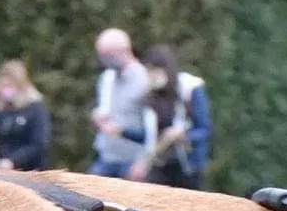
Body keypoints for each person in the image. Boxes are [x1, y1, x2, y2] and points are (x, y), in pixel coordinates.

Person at [128, 46, 213, 188]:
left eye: (155, 70)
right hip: (159, 164)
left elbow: (204, 129)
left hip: (187, 166)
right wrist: (121, 131)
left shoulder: (189, 88)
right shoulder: (150, 96)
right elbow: (149, 135)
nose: (152, 76)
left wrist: (183, 136)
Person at [0, 60, 52, 171]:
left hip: (30, 170)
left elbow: (38, 144)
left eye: (10, 85)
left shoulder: (35, 109)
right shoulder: (1, 109)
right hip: (3, 169)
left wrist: (13, 160)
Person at [88, 27, 148, 179]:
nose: (104, 61)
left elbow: (152, 127)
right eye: (101, 55)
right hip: (106, 156)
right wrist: (98, 116)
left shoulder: (144, 80)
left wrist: (144, 161)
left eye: (108, 55)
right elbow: (105, 108)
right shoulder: (107, 78)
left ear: (125, 50)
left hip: (132, 159)